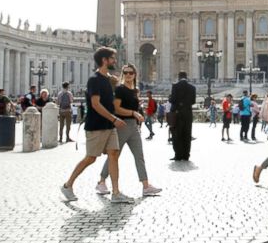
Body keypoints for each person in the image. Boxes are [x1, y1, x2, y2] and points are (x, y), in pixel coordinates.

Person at [60, 47, 130, 204]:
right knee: (90, 158)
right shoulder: (94, 80)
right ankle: (67, 185)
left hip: (109, 125)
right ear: (104, 60)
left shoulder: (107, 79)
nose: (115, 61)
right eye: (112, 58)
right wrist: (114, 119)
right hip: (97, 125)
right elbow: (96, 104)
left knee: (113, 154)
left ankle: (116, 192)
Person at [94, 65, 162, 197]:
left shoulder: (135, 90)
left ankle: (146, 185)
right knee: (114, 155)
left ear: (135, 74)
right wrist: (134, 113)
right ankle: (101, 181)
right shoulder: (120, 89)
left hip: (133, 127)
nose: (129, 75)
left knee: (139, 156)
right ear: (123, 74)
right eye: (126, 73)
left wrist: (137, 114)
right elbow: (116, 108)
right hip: (122, 125)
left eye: (131, 73)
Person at [168, 71, 196, 161]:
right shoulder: (192, 87)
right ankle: (186, 155)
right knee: (187, 134)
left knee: (177, 135)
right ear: (186, 77)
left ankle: (178, 155)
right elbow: (193, 101)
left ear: (179, 77)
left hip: (178, 113)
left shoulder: (175, 86)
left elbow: (172, 100)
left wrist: (173, 100)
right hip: (188, 113)